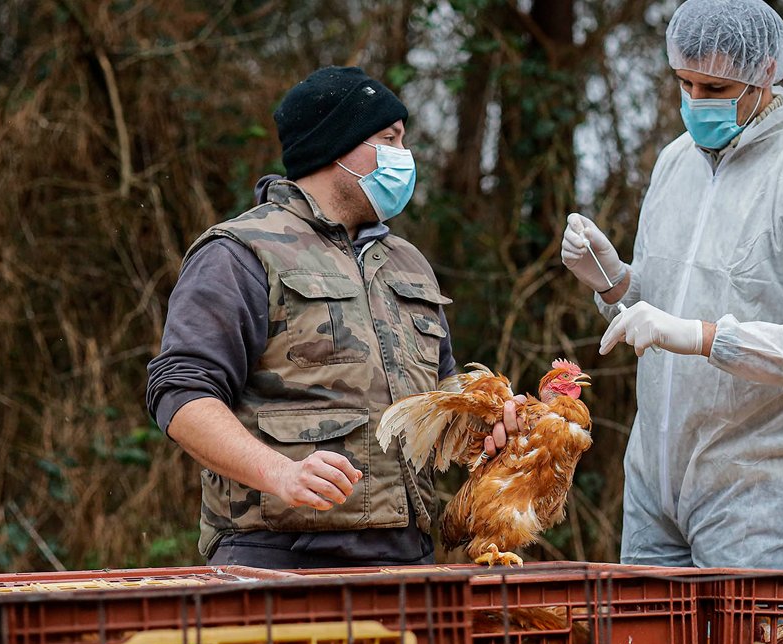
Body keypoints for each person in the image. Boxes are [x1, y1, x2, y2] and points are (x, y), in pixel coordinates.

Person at [146, 66, 517, 568]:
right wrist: (279, 472)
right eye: (389, 139)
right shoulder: (240, 252)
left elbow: (440, 406)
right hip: (275, 558)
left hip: (406, 559)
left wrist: (490, 425)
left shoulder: (408, 263)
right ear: (335, 147)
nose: (404, 156)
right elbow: (182, 393)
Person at [560, 0, 783, 569]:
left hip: (760, 492)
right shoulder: (673, 163)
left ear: (765, 74)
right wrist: (614, 285)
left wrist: (707, 338)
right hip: (653, 486)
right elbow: (658, 315)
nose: (695, 101)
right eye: (684, 83)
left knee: (748, 633)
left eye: (714, 87)